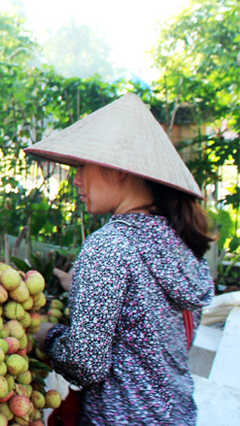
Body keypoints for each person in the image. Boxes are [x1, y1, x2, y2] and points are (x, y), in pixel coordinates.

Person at [26, 93, 214, 426]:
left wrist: (47, 334)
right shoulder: (180, 242)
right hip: (177, 415)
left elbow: (86, 362)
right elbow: (154, 337)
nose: (77, 179)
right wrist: (83, 286)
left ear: (119, 170)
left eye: (83, 165)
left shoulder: (110, 246)